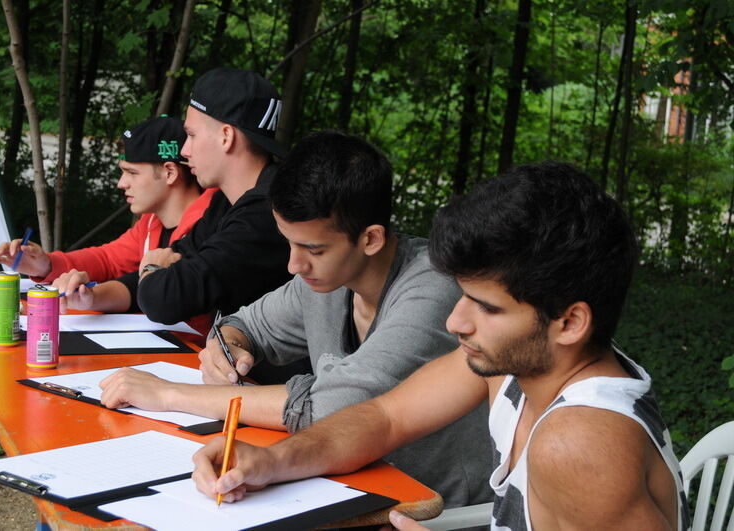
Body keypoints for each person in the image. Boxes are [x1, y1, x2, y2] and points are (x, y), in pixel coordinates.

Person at [191, 162, 690, 530]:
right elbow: (385, 418)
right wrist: (272, 462)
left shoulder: (579, 442)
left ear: (570, 321)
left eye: (487, 307)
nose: (456, 320)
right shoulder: (517, 363)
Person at [97, 131, 493, 508]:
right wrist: (228, 342)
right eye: (288, 242)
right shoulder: (329, 278)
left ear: (370, 238)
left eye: (312, 249)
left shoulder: (434, 290)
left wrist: (168, 394)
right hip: (336, 483)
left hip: (428, 506)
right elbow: (246, 324)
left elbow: (335, 407)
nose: (293, 263)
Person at [51, 68, 292, 341]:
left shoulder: (268, 211)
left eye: (191, 135)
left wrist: (151, 269)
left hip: (266, 380)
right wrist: (92, 298)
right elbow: (161, 276)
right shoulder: (226, 201)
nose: (185, 151)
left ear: (226, 136)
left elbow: (165, 299)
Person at [0, 115, 214, 286]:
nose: (121, 183)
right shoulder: (151, 222)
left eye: (132, 173)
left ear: (170, 173)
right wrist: (46, 264)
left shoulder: (214, 223)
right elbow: (108, 259)